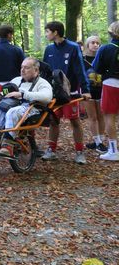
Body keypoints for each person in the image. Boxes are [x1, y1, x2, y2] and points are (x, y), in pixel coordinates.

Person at [0, 58, 53, 156]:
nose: (22, 70)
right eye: (22, 67)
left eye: (26, 68)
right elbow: (6, 92)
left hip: (32, 108)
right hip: (13, 105)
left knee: (13, 112)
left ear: (36, 70)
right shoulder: (16, 80)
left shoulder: (43, 83)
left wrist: (22, 94)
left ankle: (8, 145)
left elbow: (47, 97)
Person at [42, 21, 91, 164]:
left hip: (71, 92)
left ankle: (79, 152)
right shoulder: (49, 49)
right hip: (53, 93)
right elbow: (45, 72)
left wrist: (86, 90)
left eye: (47, 31)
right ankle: (51, 150)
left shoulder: (73, 48)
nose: (46, 34)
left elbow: (80, 70)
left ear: (55, 32)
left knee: (74, 121)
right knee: (53, 120)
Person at [91, 22, 119, 161]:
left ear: (111, 32)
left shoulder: (106, 48)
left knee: (110, 117)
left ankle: (114, 151)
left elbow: (96, 68)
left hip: (111, 84)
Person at [0, 25, 25, 96]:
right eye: (12, 34)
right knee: (13, 106)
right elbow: (24, 68)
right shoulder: (17, 50)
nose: (12, 37)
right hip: (14, 87)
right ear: (9, 34)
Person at [82, 36, 107, 153]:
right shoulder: (82, 59)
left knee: (101, 116)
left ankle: (101, 140)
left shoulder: (103, 57)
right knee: (92, 117)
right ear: (87, 44)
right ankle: (97, 141)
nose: (95, 45)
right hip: (88, 91)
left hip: (102, 90)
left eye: (98, 43)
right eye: (93, 42)